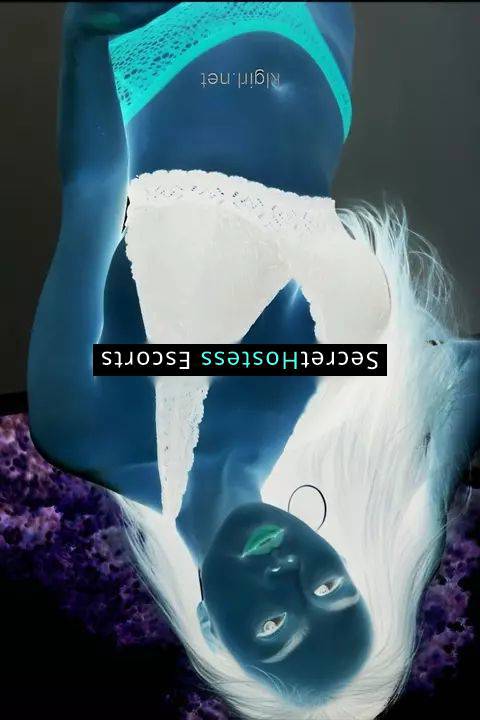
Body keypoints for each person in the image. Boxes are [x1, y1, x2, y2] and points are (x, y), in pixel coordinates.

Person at [27, 3, 480, 718]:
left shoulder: (78, 429)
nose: (289, 575)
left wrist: (91, 34)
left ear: (213, 629)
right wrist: (423, 515)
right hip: (318, 41)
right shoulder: (336, 401)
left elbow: (89, 191)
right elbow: (469, 367)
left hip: (164, 34)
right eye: (330, 588)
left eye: (273, 627)